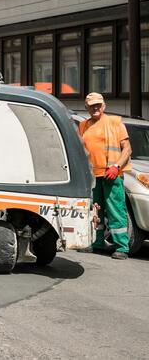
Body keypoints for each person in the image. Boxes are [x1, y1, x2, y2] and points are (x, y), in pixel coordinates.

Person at [78, 92, 133, 260]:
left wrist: (116, 166)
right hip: (93, 176)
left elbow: (127, 149)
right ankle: (97, 242)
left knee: (116, 211)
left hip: (111, 174)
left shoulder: (115, 122)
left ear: (104, 106)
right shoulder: (83, 126)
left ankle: (122, 247)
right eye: (92, 105)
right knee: (96, 211)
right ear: (86, 108)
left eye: (98, 105)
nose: (95, 108)